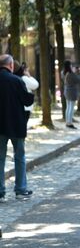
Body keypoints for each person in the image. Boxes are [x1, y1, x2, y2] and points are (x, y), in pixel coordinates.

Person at [0, 54, 35, 203]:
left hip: (0, 126)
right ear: (11, 65)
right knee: (19, 157)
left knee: (0, 158)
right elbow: (27, 100)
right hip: (16, 124)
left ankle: (0, 192)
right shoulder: (16, 80)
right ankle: (20, 190)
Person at [63, 60, 80, 129]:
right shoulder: (71, 74)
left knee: (68, 107)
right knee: (71, 108)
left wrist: (74, 72)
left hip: (66, 91)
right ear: (69, 66)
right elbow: (78, 80)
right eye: (71, 65)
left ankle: (67, 121)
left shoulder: (63, 73)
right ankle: (70, 123)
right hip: (72, 92)